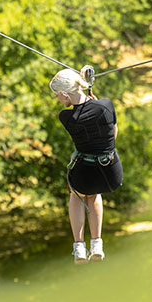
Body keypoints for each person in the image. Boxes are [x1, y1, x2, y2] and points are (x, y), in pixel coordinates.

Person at [49, 68, 123, 264]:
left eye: (58, 96)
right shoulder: (106, 106)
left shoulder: (66, 117)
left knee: (77, 194)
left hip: (84, 173)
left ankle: (79, 246)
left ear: (65, 94)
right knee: (95, 193)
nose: (58, 100)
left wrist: (85, 84)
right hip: (111, 174)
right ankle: (96, 243)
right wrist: (88, 87)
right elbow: (113, 131)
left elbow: (81, 109)